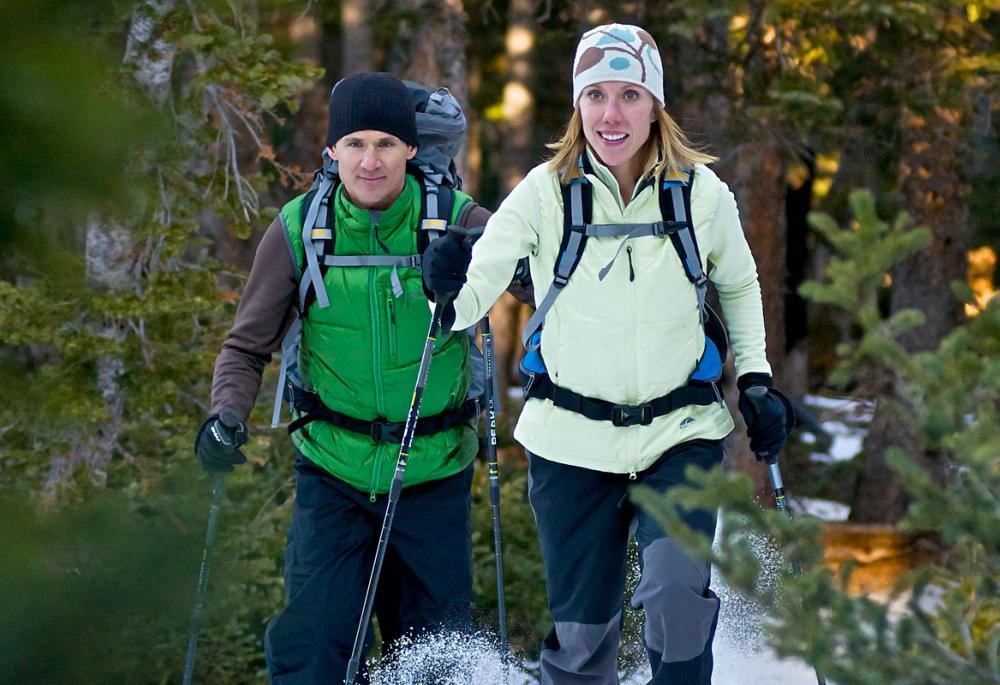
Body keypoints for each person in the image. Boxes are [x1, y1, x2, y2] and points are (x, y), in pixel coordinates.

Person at [423, 24, 792, 685]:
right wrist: (445, 286)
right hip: (569, 441)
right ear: (577, 105)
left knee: (677, 601)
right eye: (596, 95)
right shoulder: (543, 191)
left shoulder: (701, 194)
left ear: (655, 104)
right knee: (584, 642)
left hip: (679, 431)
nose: (611, 114)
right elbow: (472, 295)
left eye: (629, 94)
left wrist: (757, 379)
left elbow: (738, 283)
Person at [194, 72, 498, 684]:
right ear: (332, 150)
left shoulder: (458, 220)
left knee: (438, 661)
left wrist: (476, 261)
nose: (369, 160)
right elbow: (247, 344)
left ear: (412, 149)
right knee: (313, 650)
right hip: (333, 474)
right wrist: (226, 416)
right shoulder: (301, 228)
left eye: (385, 143)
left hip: (433, 473)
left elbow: (541, 284)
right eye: (354, 143)